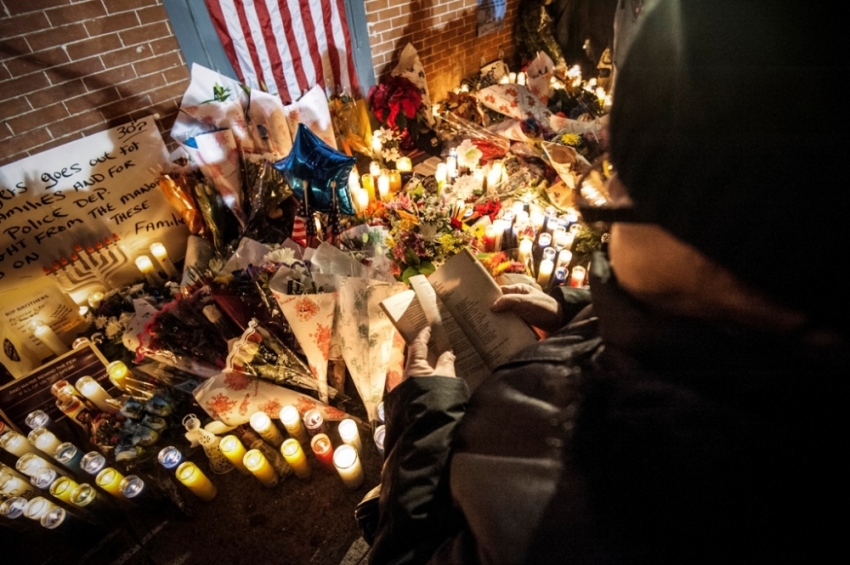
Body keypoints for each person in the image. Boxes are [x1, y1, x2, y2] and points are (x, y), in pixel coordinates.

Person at [368, 1, 848, 563]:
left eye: (624, 180)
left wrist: (424, 425)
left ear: (733, 236)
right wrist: (578, 311)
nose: (608, 191)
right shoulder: (740, 330)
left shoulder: (594, 506)